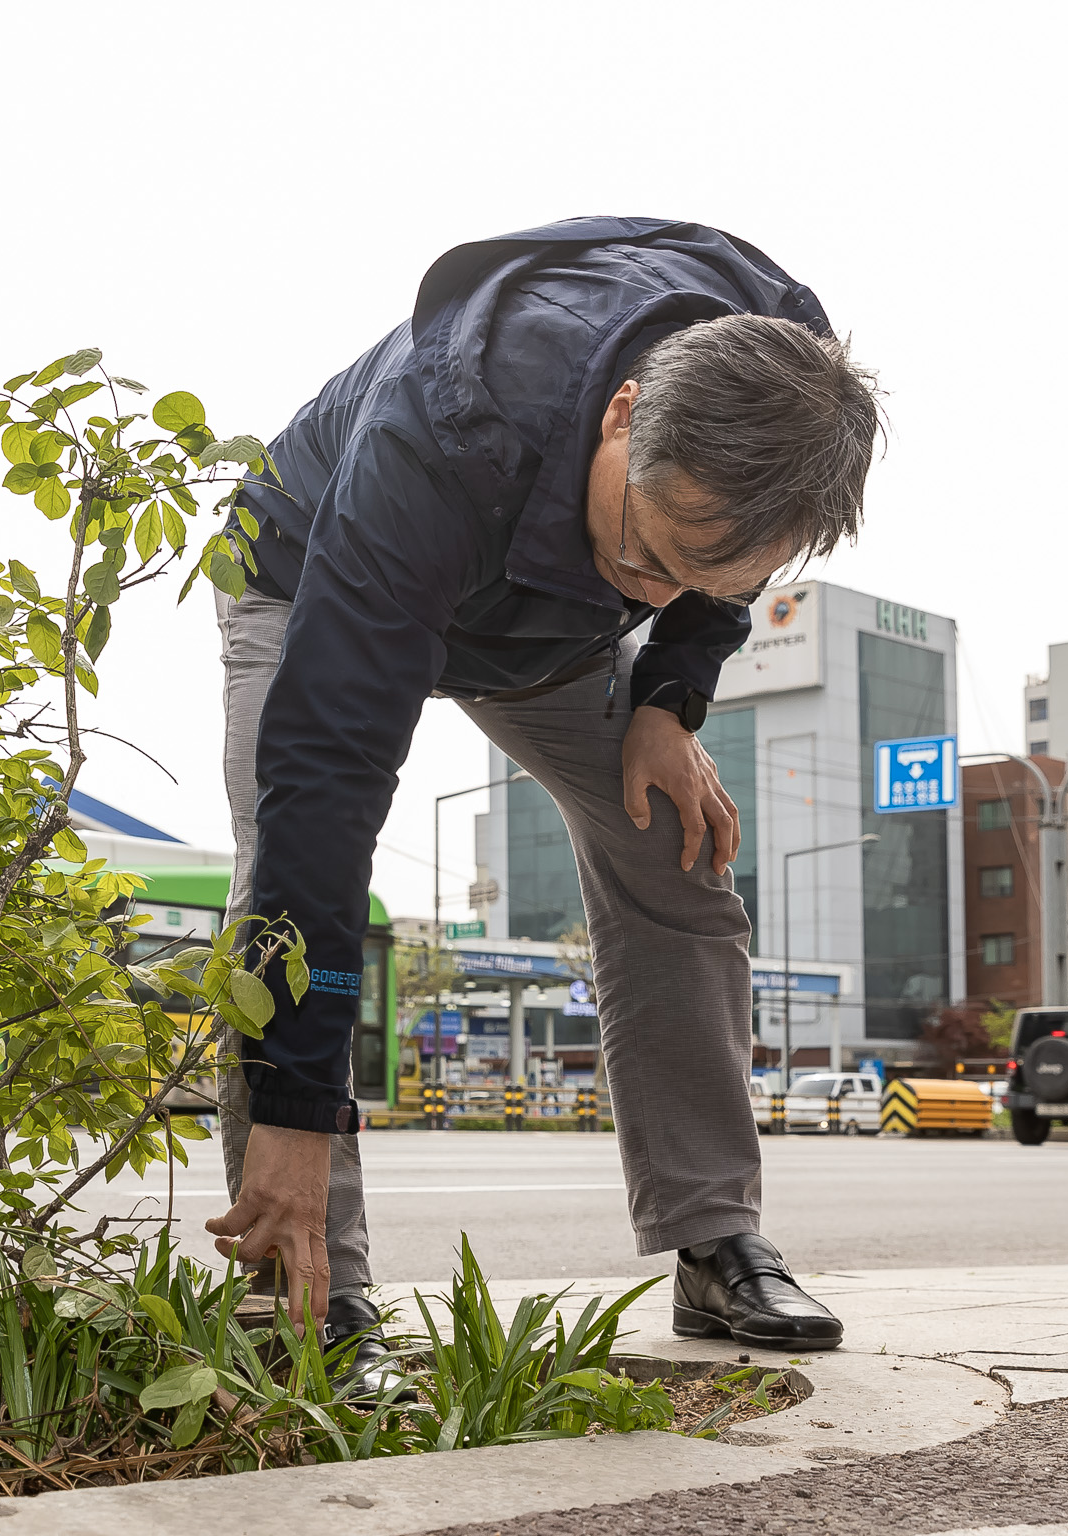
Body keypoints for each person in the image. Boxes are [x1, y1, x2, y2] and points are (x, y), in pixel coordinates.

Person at [203, 218, 880, 1355]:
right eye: (647, 548)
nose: (655, 586)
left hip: (545, 630)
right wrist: (295, 1106)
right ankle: (304, 1295)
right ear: (623, 413)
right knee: (275, 875)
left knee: (678, 846)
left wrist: (667, 699)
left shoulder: (791, 392)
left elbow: (714, 574)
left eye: (694, 578)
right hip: (310, 571)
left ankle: (715, 1240)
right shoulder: (442, 433)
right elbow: (323, 789)